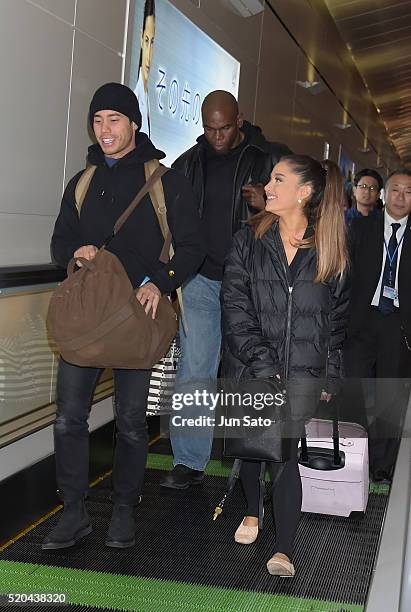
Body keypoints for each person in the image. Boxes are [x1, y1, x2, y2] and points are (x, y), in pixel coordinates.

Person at [43, 82, 204, 550]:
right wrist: (76, 250)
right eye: (98, 120)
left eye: (115, 119)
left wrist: (161, 282)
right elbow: (58, 243)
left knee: (132, 421)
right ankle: (73, 514)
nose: (105, 129)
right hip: (87, 319)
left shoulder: (164, 180)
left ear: (134, 123)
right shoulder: (82, 182)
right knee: (68, 418)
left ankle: (122, 511)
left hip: (137, 316)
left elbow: (192, 247)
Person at [221, 155, 349, 577]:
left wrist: (330, 374)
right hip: (253, 368)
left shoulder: (330, 249)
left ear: (305, 192)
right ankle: (253, 512)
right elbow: (235, 307)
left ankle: (285, 548)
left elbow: (337, 321)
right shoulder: (247, 240)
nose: (268, 185)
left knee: (285, 456)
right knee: (255, 450)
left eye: (279, 179)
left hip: (301, 373)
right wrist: (262, 363)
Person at [160, 90, 291, 490]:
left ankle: (260, 457)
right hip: (200, 278)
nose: (217, 136)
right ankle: (189, 460)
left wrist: (267, 203)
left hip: (250, 281)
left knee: (254, 369)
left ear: (240, 120)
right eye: (209, 129)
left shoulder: (270, 158)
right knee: (195, 368)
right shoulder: (188, 163)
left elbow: (306, 209)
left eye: (225, 127)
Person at [344, 169, 411, 482]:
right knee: (352, 390)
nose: (401, 196)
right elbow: (344, 276)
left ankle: (382, 464)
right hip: (361, 320)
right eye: (396, 189)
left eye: (408, 191)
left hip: (399, 324)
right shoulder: (362, 227)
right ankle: (354, 455)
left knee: (391, 396)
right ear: (385, 194)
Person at [134, 0, 155, 136]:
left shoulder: (148, 96)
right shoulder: (134, 100)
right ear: (141, 38)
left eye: (152, 42)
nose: (149, 54)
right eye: (146, 40)